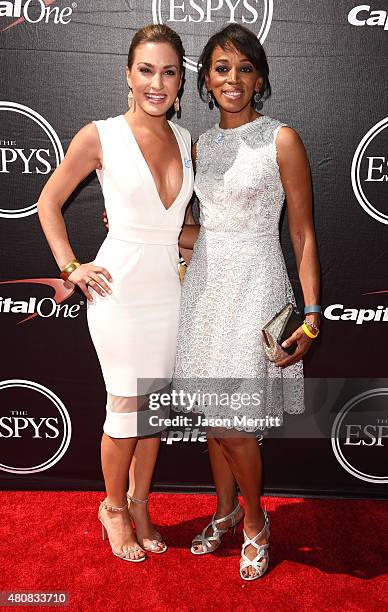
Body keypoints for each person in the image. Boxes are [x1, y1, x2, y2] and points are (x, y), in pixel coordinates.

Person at [37, 24, 194, 562]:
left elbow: (181, 225)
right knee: (125, 404)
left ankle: (142, 503)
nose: (158, 82)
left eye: (169, 72)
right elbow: (48, 202)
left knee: (152, 409)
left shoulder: (187, 140)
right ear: (128, 74)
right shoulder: (99, 135)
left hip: (169, 292)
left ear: (180, 79)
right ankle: (112, 507)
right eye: (146, 70)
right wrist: (71, 266)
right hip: (119, 290)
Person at [174, 24, 321, 580]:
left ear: (259, 78)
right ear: (206, 81)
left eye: (243, 68)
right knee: (215, 417)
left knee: (234, 421)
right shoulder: (198, 145)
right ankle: (225, 509)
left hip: (257, 283)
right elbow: (199, 229)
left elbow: (303, 235)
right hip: (207, 286)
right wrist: (149, 229)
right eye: (220, 68)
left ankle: (256, 522)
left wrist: (310, 318)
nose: (232, 79)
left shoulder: (281, 138)